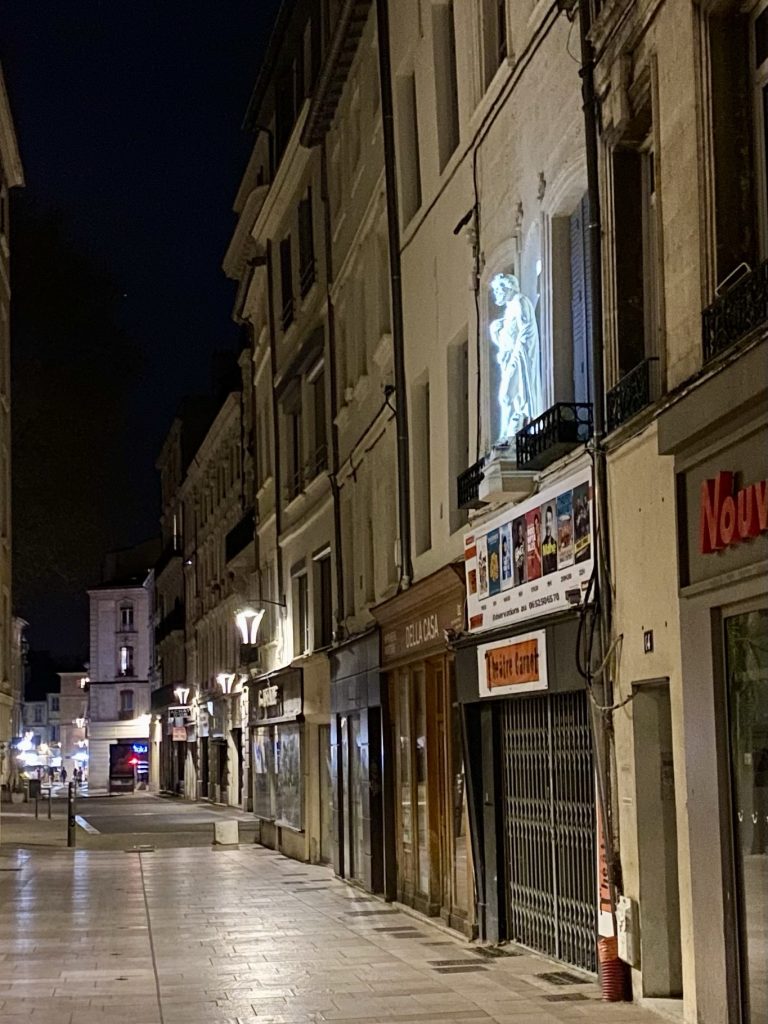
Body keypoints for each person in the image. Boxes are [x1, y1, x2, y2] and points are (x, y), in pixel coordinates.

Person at [489, 272, 543, 439]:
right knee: (508, 398)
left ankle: (509, 434)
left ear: (508, 288)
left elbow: (526, 331)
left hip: (519, 357)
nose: (496, 294)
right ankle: (509, 434)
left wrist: (515, 355)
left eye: (498, 290)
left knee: (506, 396)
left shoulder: (520, 302)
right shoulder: (509, 308)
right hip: (510, 358)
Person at [541, 505, 558, 574]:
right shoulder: (542, 546)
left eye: (550, 520)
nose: (548, 524)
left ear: (552, 522)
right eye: (546, 521)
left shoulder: (556, 544)